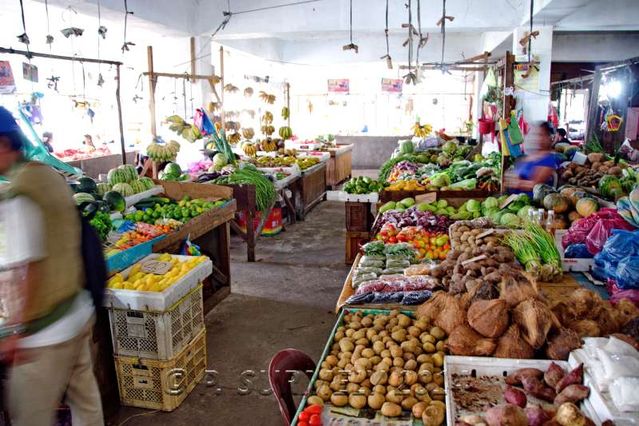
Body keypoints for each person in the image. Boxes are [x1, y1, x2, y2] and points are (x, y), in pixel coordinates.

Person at [0, 107, 104, 426]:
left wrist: (15, 332)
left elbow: (25, 268)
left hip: (44, 334)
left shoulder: (18, 194)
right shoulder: (50, 174)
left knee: (29, 417)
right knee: (87, 405)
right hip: (79, 312)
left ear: (3, 144)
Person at [505, 121, 559, 195]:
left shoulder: (548, 159)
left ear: (548, 137)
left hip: (529, 201)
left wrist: (517, 183)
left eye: (540, 135)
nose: (536, 138)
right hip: (513, 196)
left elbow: (536, 185)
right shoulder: (530, 155)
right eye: (534, 134)